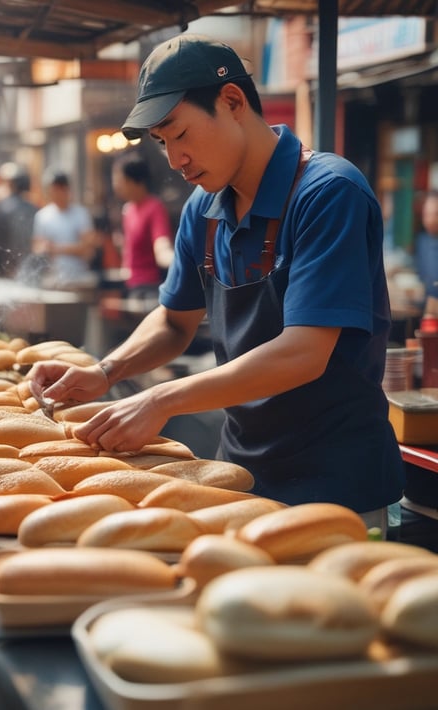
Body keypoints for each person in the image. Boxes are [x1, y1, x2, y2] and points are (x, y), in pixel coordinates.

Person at [31, 34, 404, 525]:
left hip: (336, 484)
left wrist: (161, 398)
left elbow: (304, 352)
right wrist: (105, 372)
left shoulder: (328, 193)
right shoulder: (203, 208)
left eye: (180, 134)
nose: (174, 160)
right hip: (237, 475)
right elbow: (174, 322)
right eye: (162, 142)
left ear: (232, 102)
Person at [112, 154, 174, 299]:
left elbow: (162, 246)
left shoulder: (155, 207)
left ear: (136, 181)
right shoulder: (127, 210)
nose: (116, 186)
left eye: (120, 180)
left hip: (149, 289)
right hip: (131, 286)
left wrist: (181, 261)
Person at [22, 171, 98, 288]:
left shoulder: (81, 214)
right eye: (54, 190)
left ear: (67, 190)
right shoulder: (42, 216)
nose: (57, 194)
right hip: (52, 278)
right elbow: (38, 247)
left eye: (61, 189)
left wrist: (56, 248)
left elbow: (88, 250)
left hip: (79, 277)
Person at [0, 163, 37, 278]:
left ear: (12, 185)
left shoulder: (0, 207)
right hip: (26, 270)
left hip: (2, 269)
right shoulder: (34, 209)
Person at [414, 191, 438, 315]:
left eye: (435, 214)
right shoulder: (422, 241)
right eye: (426, 214)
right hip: (425, 311)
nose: (430, 220)